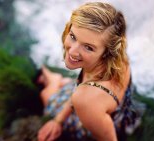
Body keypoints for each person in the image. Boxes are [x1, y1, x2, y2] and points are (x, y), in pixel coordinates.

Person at [37, 2, 140, 141]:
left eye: (88, 47)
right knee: (72, 91)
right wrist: (58, 120)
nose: (72, 51)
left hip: (93, 118)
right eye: (73, 36)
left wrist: (57, 121)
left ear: (106, 52)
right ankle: (62, 82)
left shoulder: (85, 100)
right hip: (116, 112)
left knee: (46, 95)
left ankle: (54, 80)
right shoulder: (120, 58)